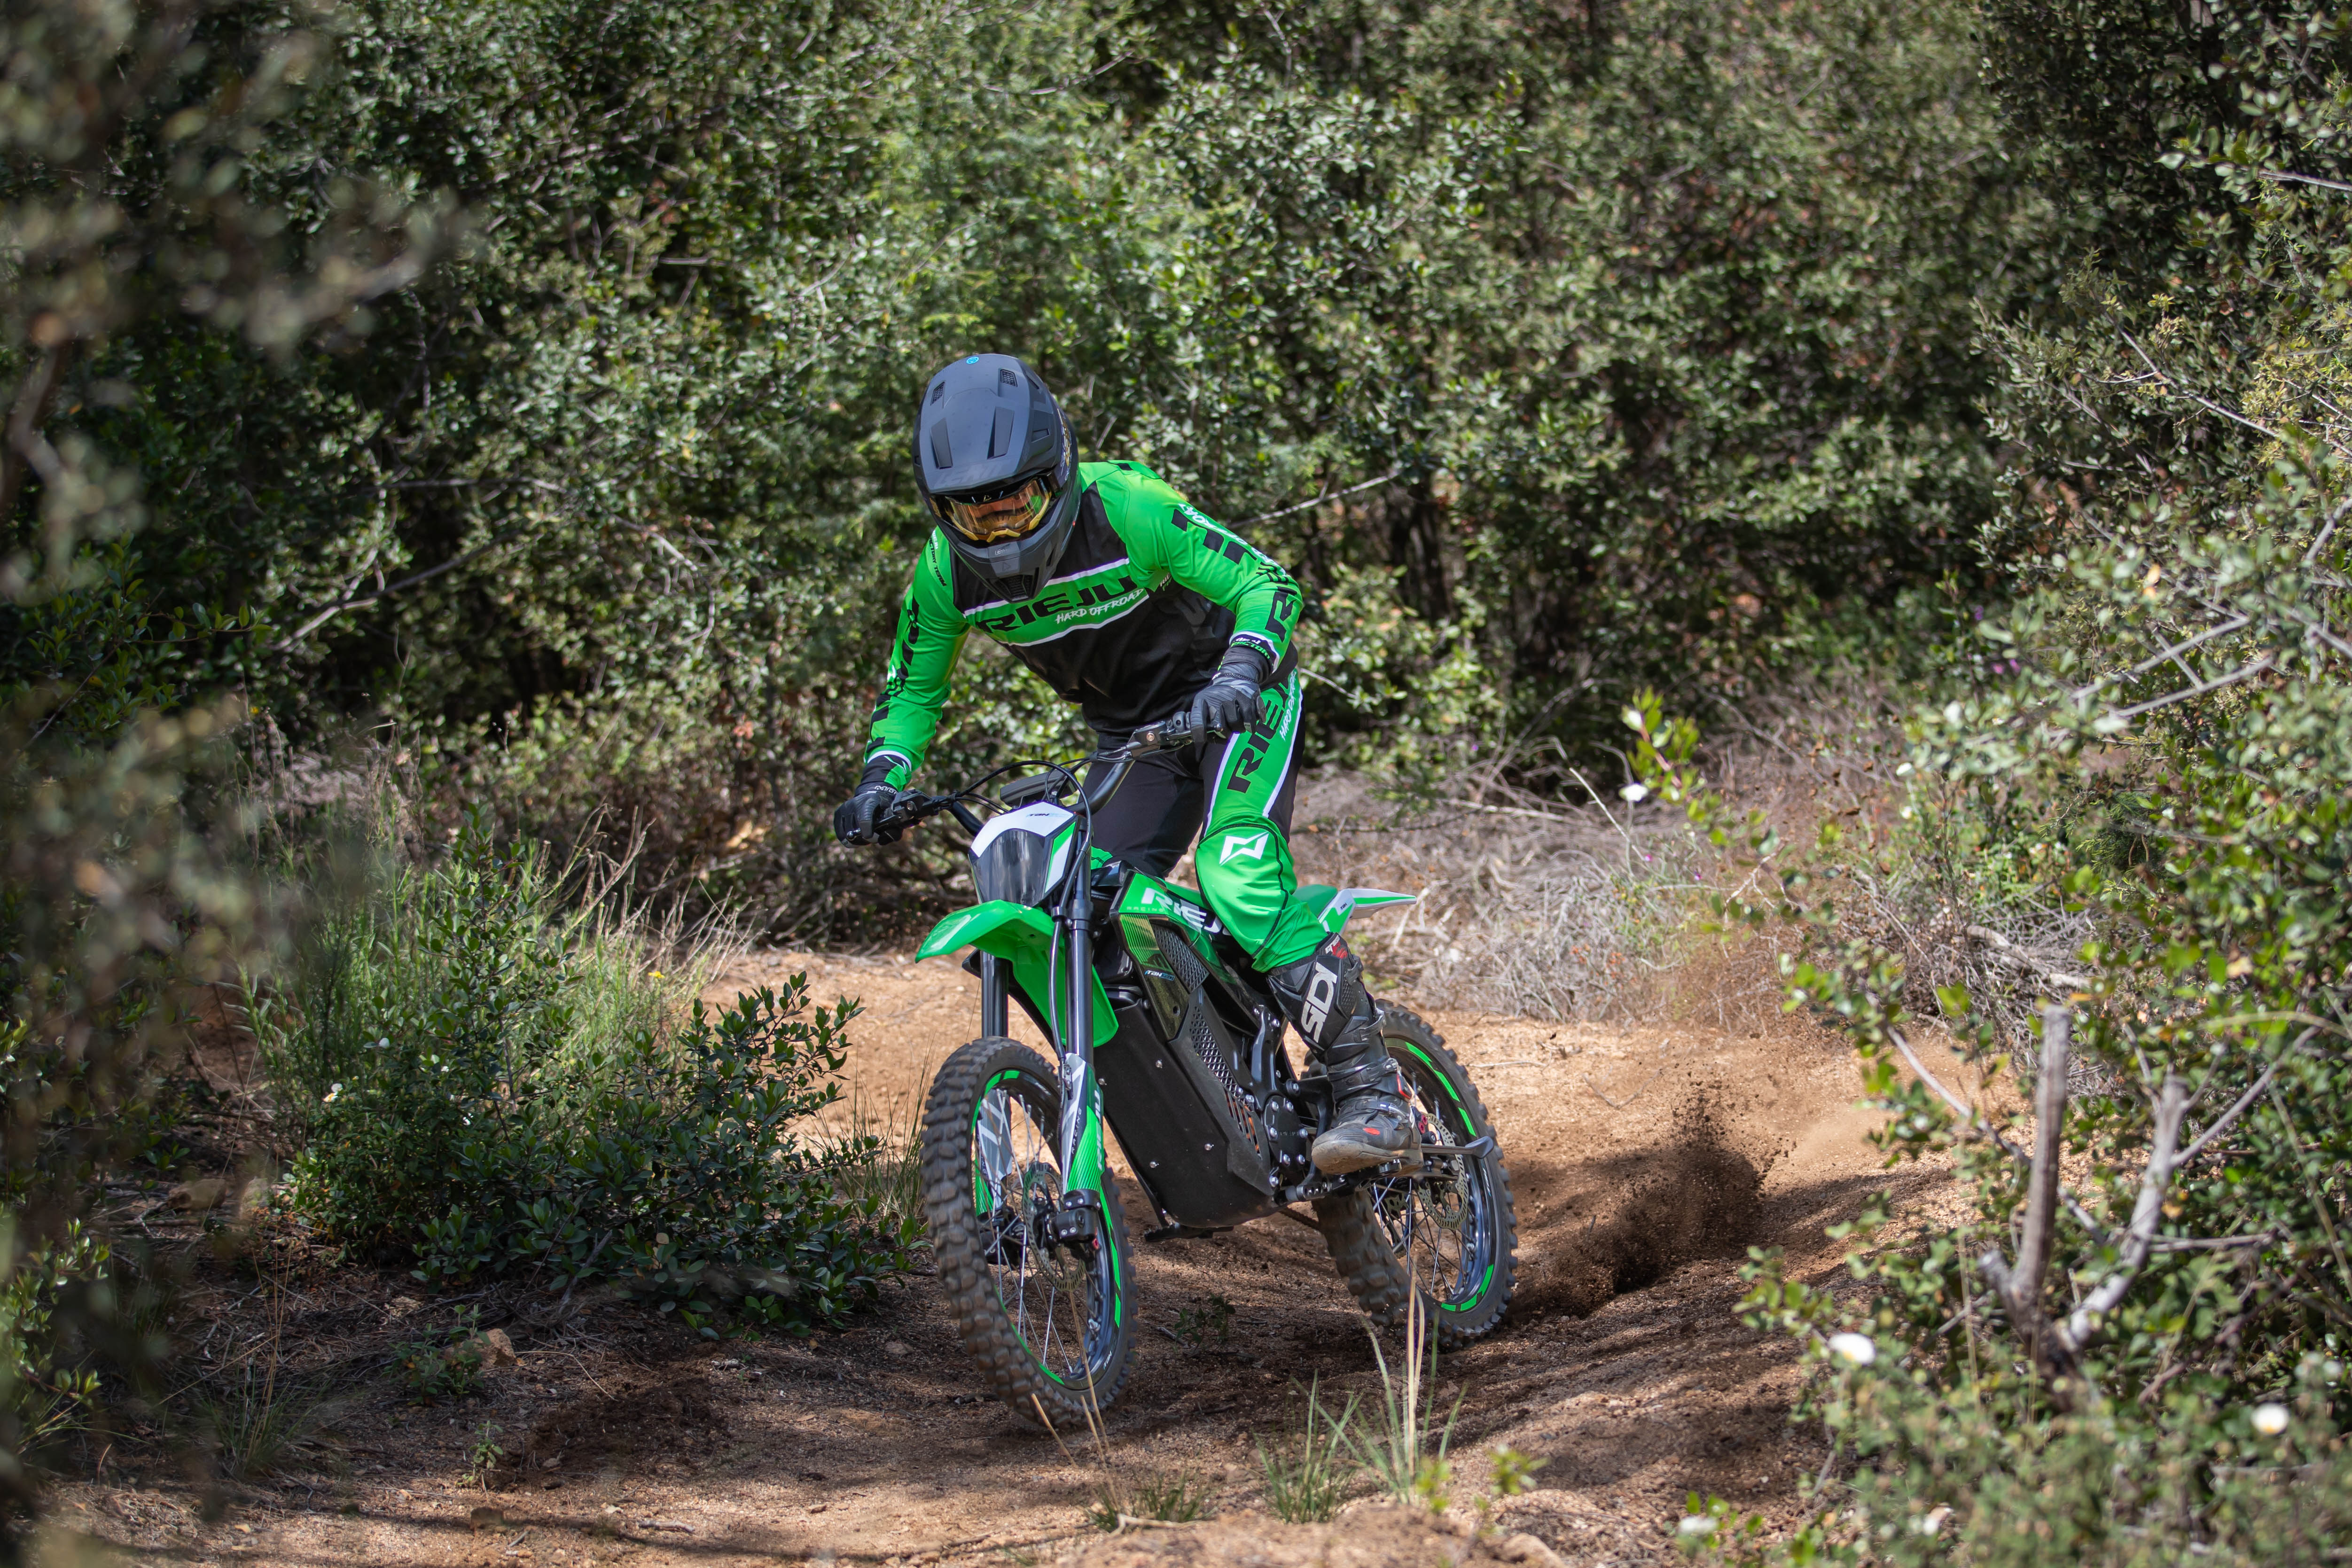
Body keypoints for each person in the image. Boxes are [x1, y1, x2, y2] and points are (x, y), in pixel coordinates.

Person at [832, 352, 1417, 1174]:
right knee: (1077, 903)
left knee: (1237, 871)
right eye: (974, 516)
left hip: (1237, 703)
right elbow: (911, 692)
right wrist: (880, 781)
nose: (1000, 531)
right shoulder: (943, 574)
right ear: (941, 510)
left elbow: (1267, 584)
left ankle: (1373, 1092)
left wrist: (1240, 672)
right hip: (1134, 740)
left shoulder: (1127, 507)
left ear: (1057, 472)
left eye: (1016, 504)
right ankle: (1218, 1095)